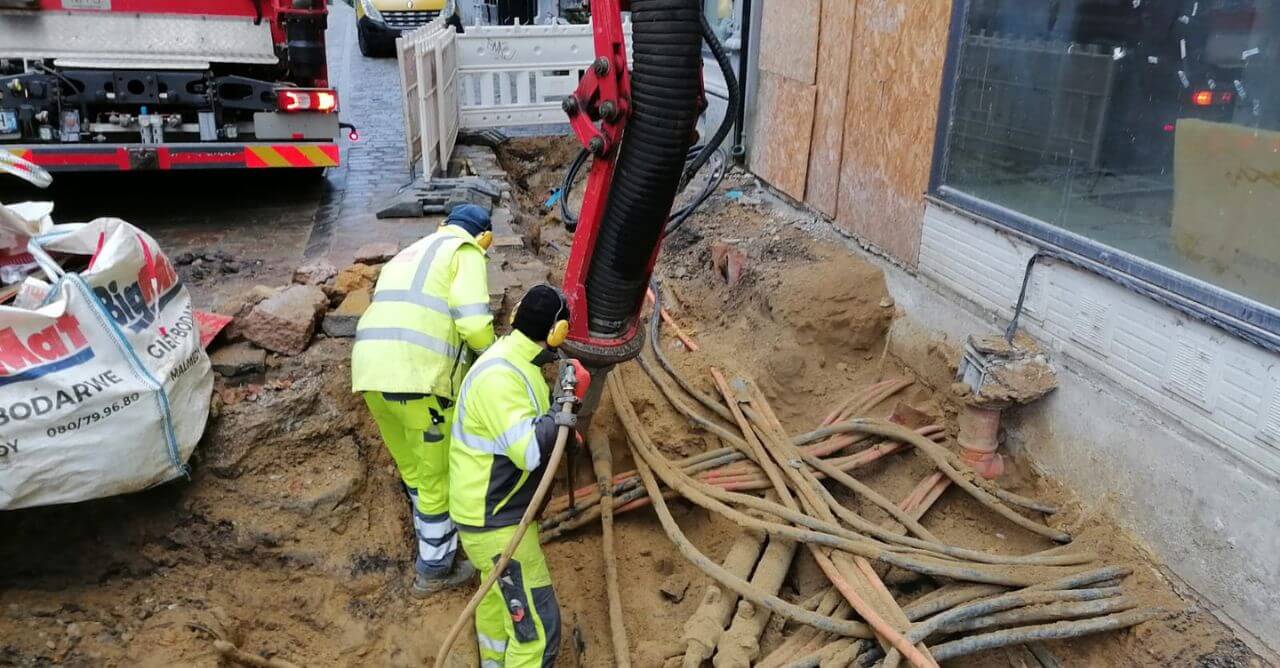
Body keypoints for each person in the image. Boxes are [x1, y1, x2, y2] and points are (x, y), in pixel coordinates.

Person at [351, 204, 496, 596]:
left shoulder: (410, 251)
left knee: (416, 475)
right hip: (419, 382)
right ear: (484, 238)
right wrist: (496, 354)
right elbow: (475, 324)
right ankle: (433, 570)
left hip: (370, 375)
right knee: (436, 481)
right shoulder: (465, 252)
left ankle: (435, 547)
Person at [449, 284, 589, 668]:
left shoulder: (514, 360)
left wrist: (560, 426)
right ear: (556, 332)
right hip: (497, 523)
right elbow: (528, 451)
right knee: (537, 632)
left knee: (497, 607)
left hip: (488, 516)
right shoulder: (501, 377)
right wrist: (565, 405)